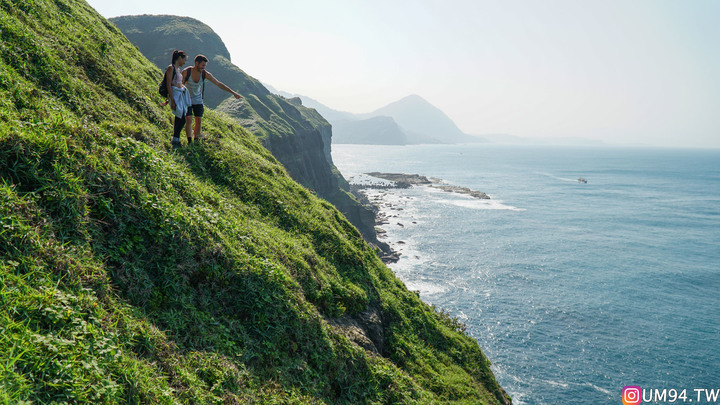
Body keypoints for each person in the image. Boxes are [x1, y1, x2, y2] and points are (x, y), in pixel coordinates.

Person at [182, 54, 242, 141]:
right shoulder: (186, 72)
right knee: (189, 119)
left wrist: (233, 92)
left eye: (205, 66)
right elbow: (179, 86)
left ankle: (196, 140)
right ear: (196, 63)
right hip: (187, 100)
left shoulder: (205, 74)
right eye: (202, 65)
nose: (204, 67)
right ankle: (189, 141)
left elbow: (218, 84)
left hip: (198, 100)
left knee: (198, 120)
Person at [165, 50, 192, 148]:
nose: (184, 62)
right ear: (180, 58)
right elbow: (168, 84)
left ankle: (176, 139)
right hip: (175, 94)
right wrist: (171, 99)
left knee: (180, 117)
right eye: (184, 59)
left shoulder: (178, 69)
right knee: (181, 118)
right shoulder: (171, 68)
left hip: (180, 95)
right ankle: (175, 139)